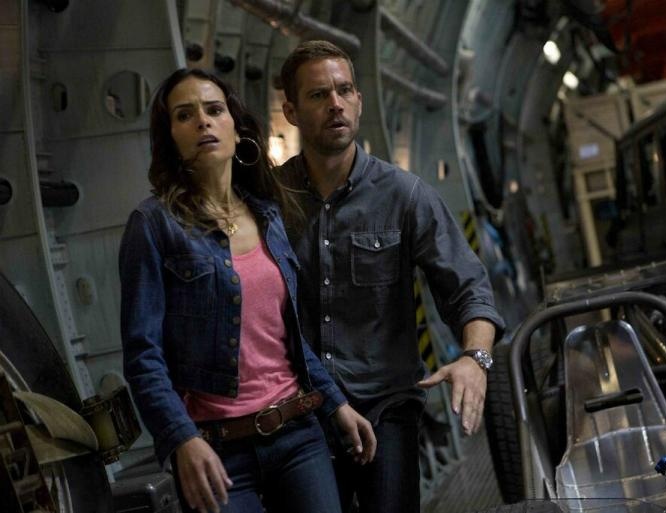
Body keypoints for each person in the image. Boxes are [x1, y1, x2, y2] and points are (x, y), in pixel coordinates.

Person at [119, 68, 376, 513]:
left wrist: (336, 404)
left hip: (298, 435)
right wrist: (180, 439)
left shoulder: (267, 215)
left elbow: (286, 338)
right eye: (185, 115)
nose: (203, 121)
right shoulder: (154, 226)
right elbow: (144, 356)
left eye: (214, 110)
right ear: (171, 139)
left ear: (237, 130)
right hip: (216, 450)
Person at [278, 41, 505, 513]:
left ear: (360, 101)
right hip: (302, 414)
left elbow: (468, 288)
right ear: (291, 112)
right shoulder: (270, 202)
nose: (335, 103)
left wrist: (475, 358)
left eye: (344, 90)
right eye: (318, 95)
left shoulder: (405, 196)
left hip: (385, 408)